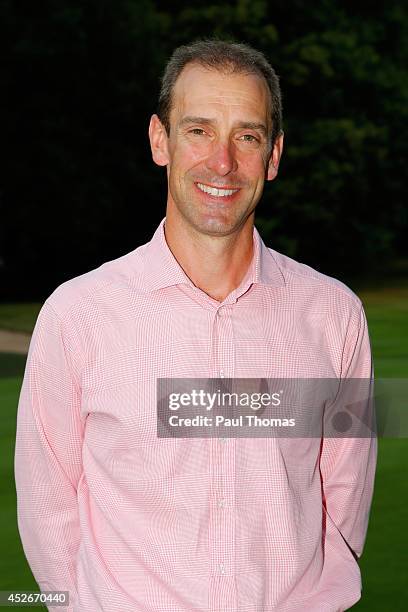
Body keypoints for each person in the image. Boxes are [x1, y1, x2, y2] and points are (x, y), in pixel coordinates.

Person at [15, 39, 377, 612]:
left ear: (275, 154)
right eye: (199, 130)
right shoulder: (77, 314)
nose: (223, 162)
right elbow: (45, 498)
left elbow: (345, 494)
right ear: (160, 140)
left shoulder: (335, 316)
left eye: (248, 136)